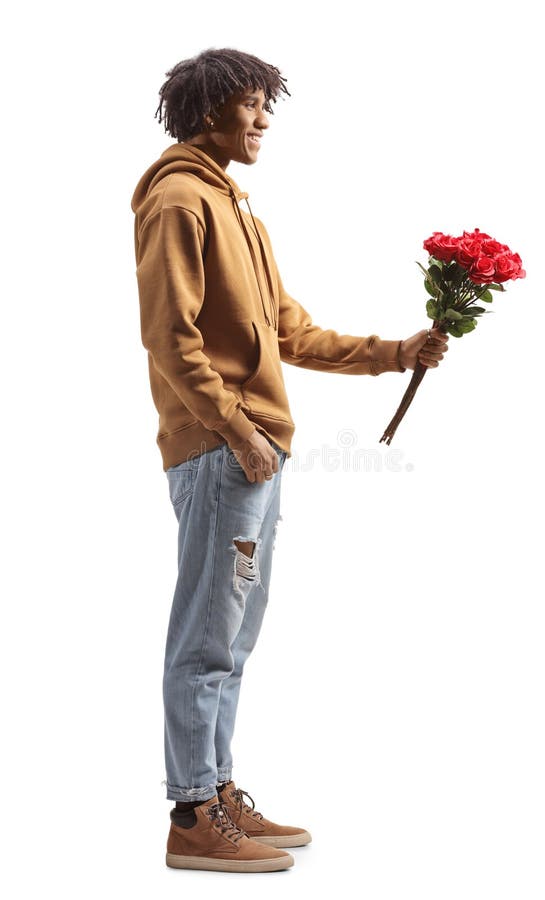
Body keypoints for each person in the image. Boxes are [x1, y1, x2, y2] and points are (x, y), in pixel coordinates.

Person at [131, 46, 448, 874]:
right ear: (209, 111)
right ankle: (192, 812)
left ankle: (218, 786)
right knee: (206, 635)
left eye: (269, 104)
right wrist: (236, 429)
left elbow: (289, 331)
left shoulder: (240, 211)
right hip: (221, 452)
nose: (266, 119)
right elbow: (170, 337)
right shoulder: (177, 199)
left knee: (233, 636)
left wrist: (397, 351)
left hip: (253, 452)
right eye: (253, 104)